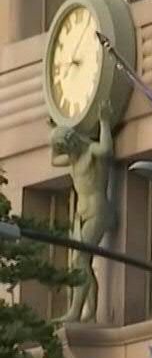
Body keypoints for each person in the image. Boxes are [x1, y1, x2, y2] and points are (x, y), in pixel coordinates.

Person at [49, 116, 114, 322]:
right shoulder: (73, 158)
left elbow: (106, 151)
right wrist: (55, 131)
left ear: (74, 140)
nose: (66, 152)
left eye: (66, 146)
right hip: (80, 214)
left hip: (97, 210)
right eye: (63, 149)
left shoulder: (91, 151)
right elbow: (53, 160)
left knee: (80, 261)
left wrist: (104, 122)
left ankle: (75, 312)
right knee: (81, 263)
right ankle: (90, 312)